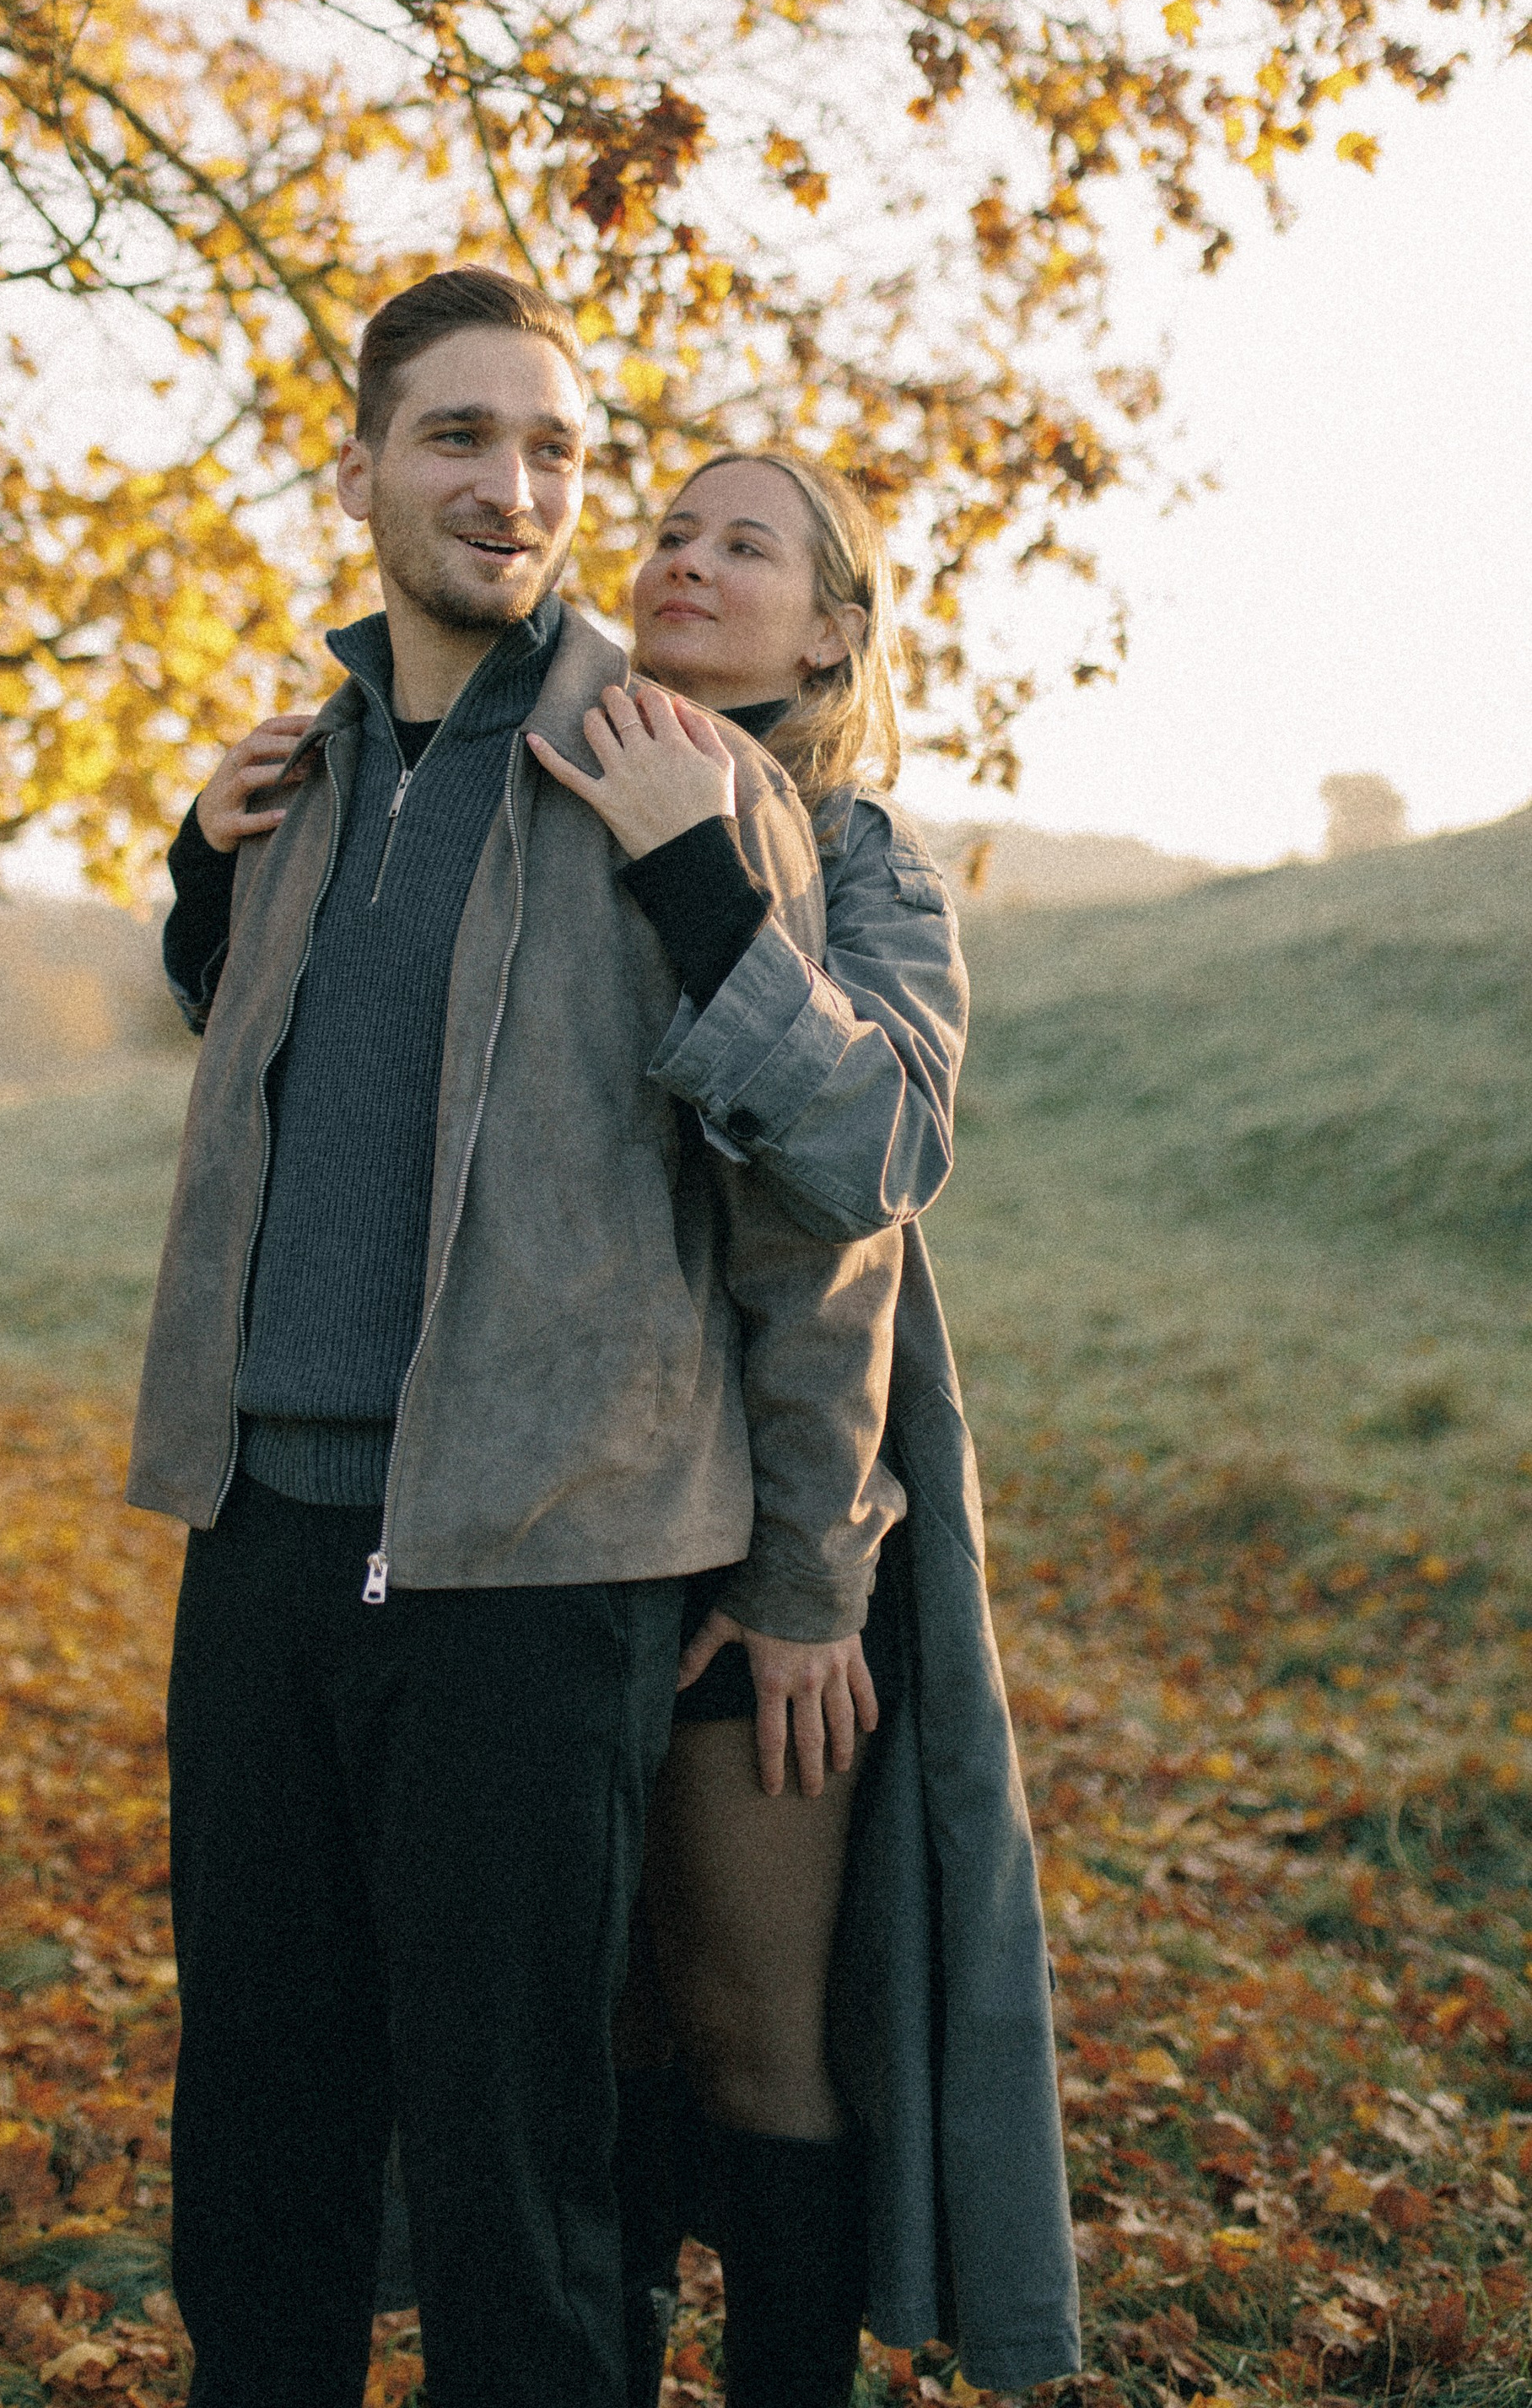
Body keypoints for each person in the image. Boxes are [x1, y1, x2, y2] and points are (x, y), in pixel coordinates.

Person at [128, 274, 906, 2408]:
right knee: (258, 2141)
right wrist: (195, 870)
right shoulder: (302, 768)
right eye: (460, 437)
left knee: (516, 2188)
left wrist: (802, 1569)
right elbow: (290, 1054)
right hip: (259, 1542)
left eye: (555, 448)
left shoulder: (670, 776)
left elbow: (821, 1217)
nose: (514, 486)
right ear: (360, 464)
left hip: (537, 1565)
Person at [531, 451, 1080, 2406]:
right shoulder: (535, 796)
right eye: (670, 530)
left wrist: (800, 1582)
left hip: (774, 1540)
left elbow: (868, 1165)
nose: (684, 561)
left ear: (831, 627)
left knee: (756, 2042)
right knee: (587, 2053)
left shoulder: (860, 861)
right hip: (547, 1522)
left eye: (741, 544)